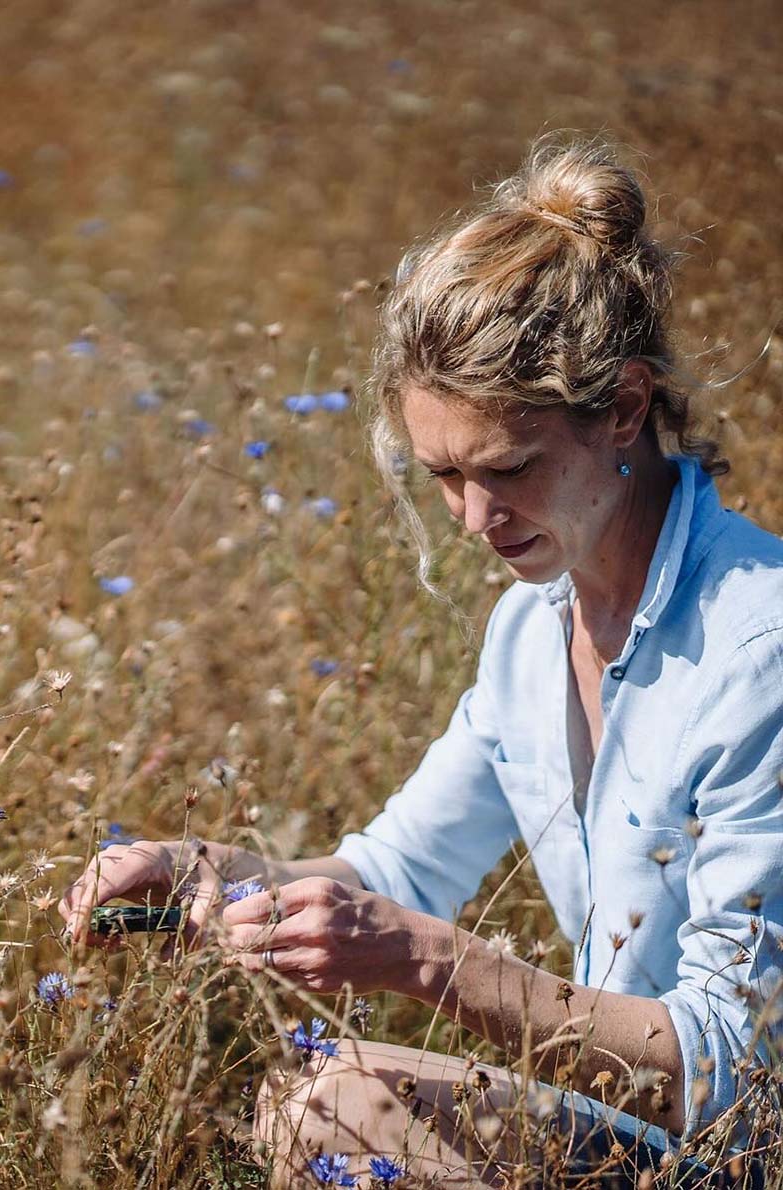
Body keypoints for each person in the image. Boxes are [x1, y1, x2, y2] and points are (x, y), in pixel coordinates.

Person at [58, 136, 783, 1187]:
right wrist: (205, 873)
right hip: (653, 1142)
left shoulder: (759, 648)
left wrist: (426, 959)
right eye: (444, 472)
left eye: (509, 468)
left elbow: (734, 1077)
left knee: (337, 1107)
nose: (475, 517)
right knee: (319, 1103)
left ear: (626, 407)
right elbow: (397, 873)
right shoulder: (532, 628)